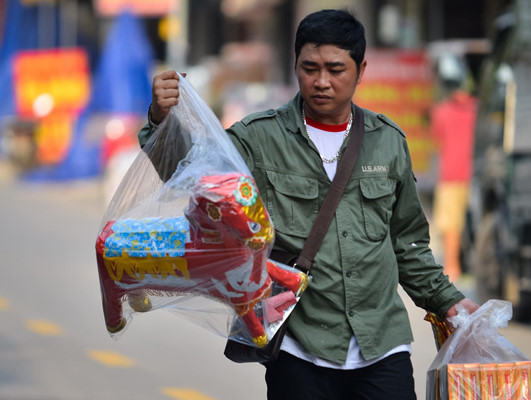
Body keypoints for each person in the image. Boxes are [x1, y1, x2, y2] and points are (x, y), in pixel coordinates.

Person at [139, 9, 479, 400]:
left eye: (336, 69)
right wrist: (162, 121)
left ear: (360, 69)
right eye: (310, 68)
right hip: (299, 349)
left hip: (382, 345)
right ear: (295, 65)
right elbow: (195, 178)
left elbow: (407, 244)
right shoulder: (258, 138)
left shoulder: (388, 142)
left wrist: (449, 302)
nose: (321, 82)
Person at [431, 55, 478, 282]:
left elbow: (436, 137)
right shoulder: (476, 109)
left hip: (450, 175)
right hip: (474, 174)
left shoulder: (441, 112)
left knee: (451, 226)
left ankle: (453, 267)